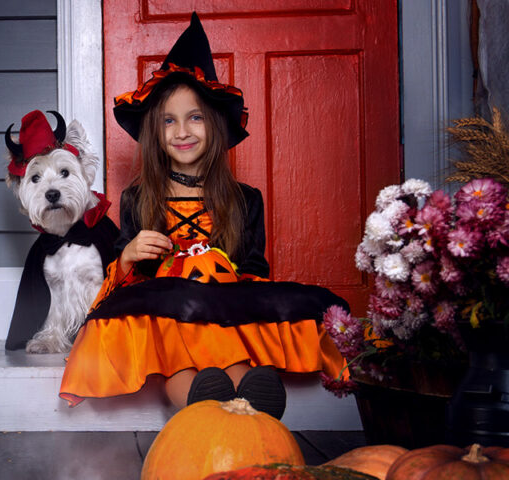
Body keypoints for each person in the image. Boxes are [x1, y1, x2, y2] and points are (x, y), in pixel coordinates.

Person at [58, 13, 348, 419]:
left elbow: (254, 271)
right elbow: (124, 277)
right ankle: (204, 405)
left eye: (194, 117)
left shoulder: (245, 200)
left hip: (225, 310)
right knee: (179, 348)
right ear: (155, 133)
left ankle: (250, 398)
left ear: (213, 125)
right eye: (169, 121)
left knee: (225, 328)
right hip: (165, 318)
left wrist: (219, 276)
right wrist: (129, 255)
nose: (182, 131)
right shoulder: (139, 199)